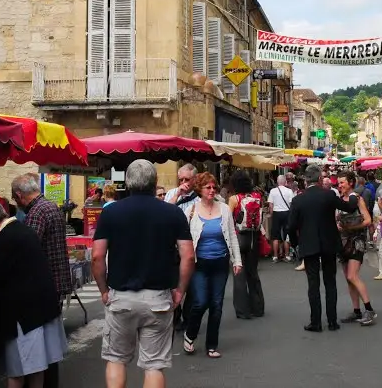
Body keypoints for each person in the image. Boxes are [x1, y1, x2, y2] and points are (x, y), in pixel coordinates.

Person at [93, 159, 194, 388]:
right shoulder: (173, 213)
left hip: (121, 295)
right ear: (154, 182)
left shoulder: (110, 213)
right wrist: (180, 290)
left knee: (116, 359)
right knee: (154, 365)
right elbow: (188, 256)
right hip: (158, 297)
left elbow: (97, 256)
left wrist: (103, 290)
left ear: (128, 182)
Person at [0, 199, 65, 388]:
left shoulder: (2, 241)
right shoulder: (24, 230)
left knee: (17, 371)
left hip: (21, 316)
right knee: (37, 368)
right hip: (41, 309)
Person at [13, 173, 71, 388]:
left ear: (20, 195)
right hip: (56, 279)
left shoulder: (36, 212)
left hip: (45, 282)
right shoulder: (50, 206)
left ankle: (45, 383)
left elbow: (28, 247)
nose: (16, 204)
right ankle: (50, 382)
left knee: (41, 341)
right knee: (51, 339)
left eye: (15, 199)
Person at [286, 164, 359, 332]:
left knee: (313, 284)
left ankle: (316, 322)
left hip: (309, 244)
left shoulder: (298, 200)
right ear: (320, 179)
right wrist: (353, 196)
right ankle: (332, 321)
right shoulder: (329, 195)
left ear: (305, 180)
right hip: (329, 243)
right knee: (330, 282)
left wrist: (296, 244)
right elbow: (349, 207)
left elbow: (290, 226)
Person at [182, 173, 242, 358]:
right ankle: (190, 334)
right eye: (207, 187)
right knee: (200, 302)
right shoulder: (191, 210)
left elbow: (232, 235)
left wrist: (237, 260)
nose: (211, 190)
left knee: (216, 304)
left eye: (214, 187)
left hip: (220, 262)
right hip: (199, 264)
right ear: (199, 189)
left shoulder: (224, 209)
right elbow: (183, 240)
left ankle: (212, 345)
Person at [336, 171, 376, 326]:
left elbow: (368, 220)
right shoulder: (339, 201)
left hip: (356, 241)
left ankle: (369, 309)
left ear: (351, 183)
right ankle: (356, 311)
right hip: (343, 242)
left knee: (353, 276)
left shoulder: (357, 199)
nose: (340, 185)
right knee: (348, 279)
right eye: (338, 183)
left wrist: (353, 226)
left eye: (342, 182)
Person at [228, 170, 264, 319]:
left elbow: (228, 220)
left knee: (239, 275)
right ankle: (258, 307)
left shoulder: (234, 199)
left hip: (238, 238)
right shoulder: (257, 197)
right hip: (253, 239)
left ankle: (243, 310)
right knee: (253, 273)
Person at [267, 175, 295, 263]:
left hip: (276, 213)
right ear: (285, 182)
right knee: (286, 235)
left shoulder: (273, 191)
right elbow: (292, 204)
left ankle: (275, 256)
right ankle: (287, 256)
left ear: (277, 182)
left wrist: (272, 215)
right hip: (286, 213)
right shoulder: (289, 191)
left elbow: (270, 205)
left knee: (275, 236)